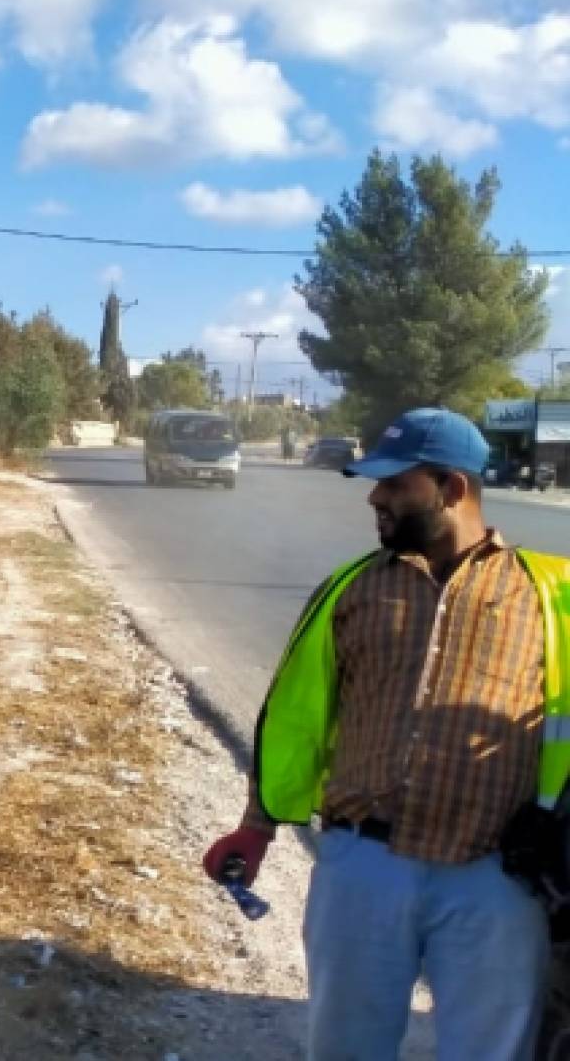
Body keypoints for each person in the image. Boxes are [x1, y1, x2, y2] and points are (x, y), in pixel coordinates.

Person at [202, 407, 570, 1060]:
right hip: (363, 868)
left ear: (452, 488)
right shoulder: (351, 591)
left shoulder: (547, 594)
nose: (375, 497)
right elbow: (299, 722)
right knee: (344, 1048)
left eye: (395, 483)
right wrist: (256, 828)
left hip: (495, 881)